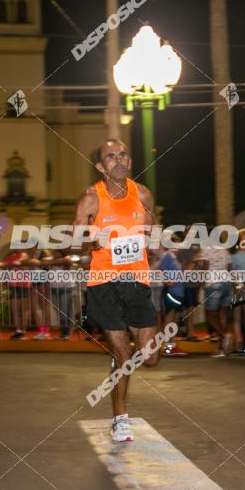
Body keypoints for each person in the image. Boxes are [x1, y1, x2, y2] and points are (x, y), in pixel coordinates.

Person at [76, 139, 160, 442]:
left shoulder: (143, 195)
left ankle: (125, 353)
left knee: (150, 357)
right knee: (123, 353)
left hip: (137, 281)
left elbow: (152, 226)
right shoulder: (91, 198)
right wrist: (91, 242)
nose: (118, 160)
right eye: (110, 157)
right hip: (104, 282)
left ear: (130, 160)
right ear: (100, 166)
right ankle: (120, 418)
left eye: (123, 154)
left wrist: (152, 241)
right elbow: (74, 239)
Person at [197, 239, 232, 357]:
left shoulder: (207, 250)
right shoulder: (225, 251)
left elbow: (205, 268)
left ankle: (224, 336)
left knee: (210, 316)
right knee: (222, 315)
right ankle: (222, 348)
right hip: (226, 282)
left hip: (213, 283)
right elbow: (229, 268)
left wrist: (200, 286)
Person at [159, 244, 187, 356]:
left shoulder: (174, 258)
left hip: (178, 292)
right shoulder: (167, 256)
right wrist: (167, 281)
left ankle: (172, 345)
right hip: (172, 292)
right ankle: (167, 346)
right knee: (170, 319)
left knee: (175, 319)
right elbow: (161, 269)